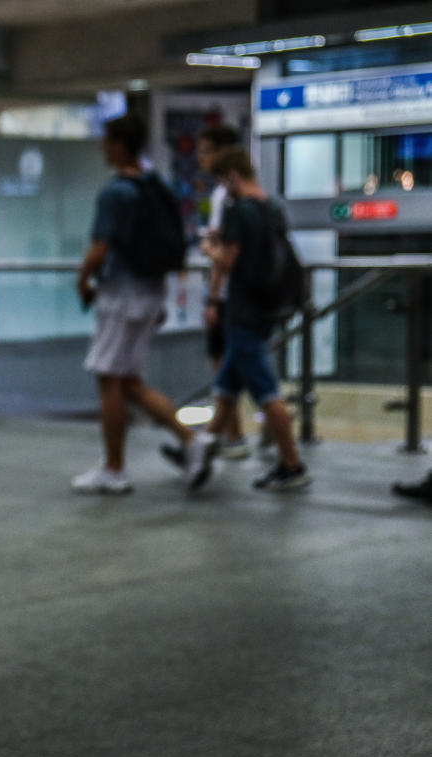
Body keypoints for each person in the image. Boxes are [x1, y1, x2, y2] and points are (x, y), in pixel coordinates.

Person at [73, 114, 215, 495]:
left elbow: (100, 247)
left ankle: (114, 469)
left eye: (106, 141)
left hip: (122, 293)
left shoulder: (116, 192)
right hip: (152, 292)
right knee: (130, 382)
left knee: (108, 378)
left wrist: (82, 279)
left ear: (120, 145)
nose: (103, 148)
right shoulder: (158, 186)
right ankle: (191, 441)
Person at [198, 148, 310, 491]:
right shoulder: (273, 206)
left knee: (265, 390)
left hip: (243, 308)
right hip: (269, 305)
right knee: (228, 387)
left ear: (232, 175)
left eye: (222, 179)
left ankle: (292, 464)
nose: (222, 187)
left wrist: (209, 251)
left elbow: (227, 262)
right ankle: (197, 453)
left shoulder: (237, 210)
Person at [196, 124, 250, 459]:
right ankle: (231, 434)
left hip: (230, 295)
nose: (200, 158)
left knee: (229, 365)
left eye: (205, 150)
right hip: (244, 294)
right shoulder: (243, 193)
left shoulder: (224, 196)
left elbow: (224, 255)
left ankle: (229, 436)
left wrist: (214, 298)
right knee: (237, 365)